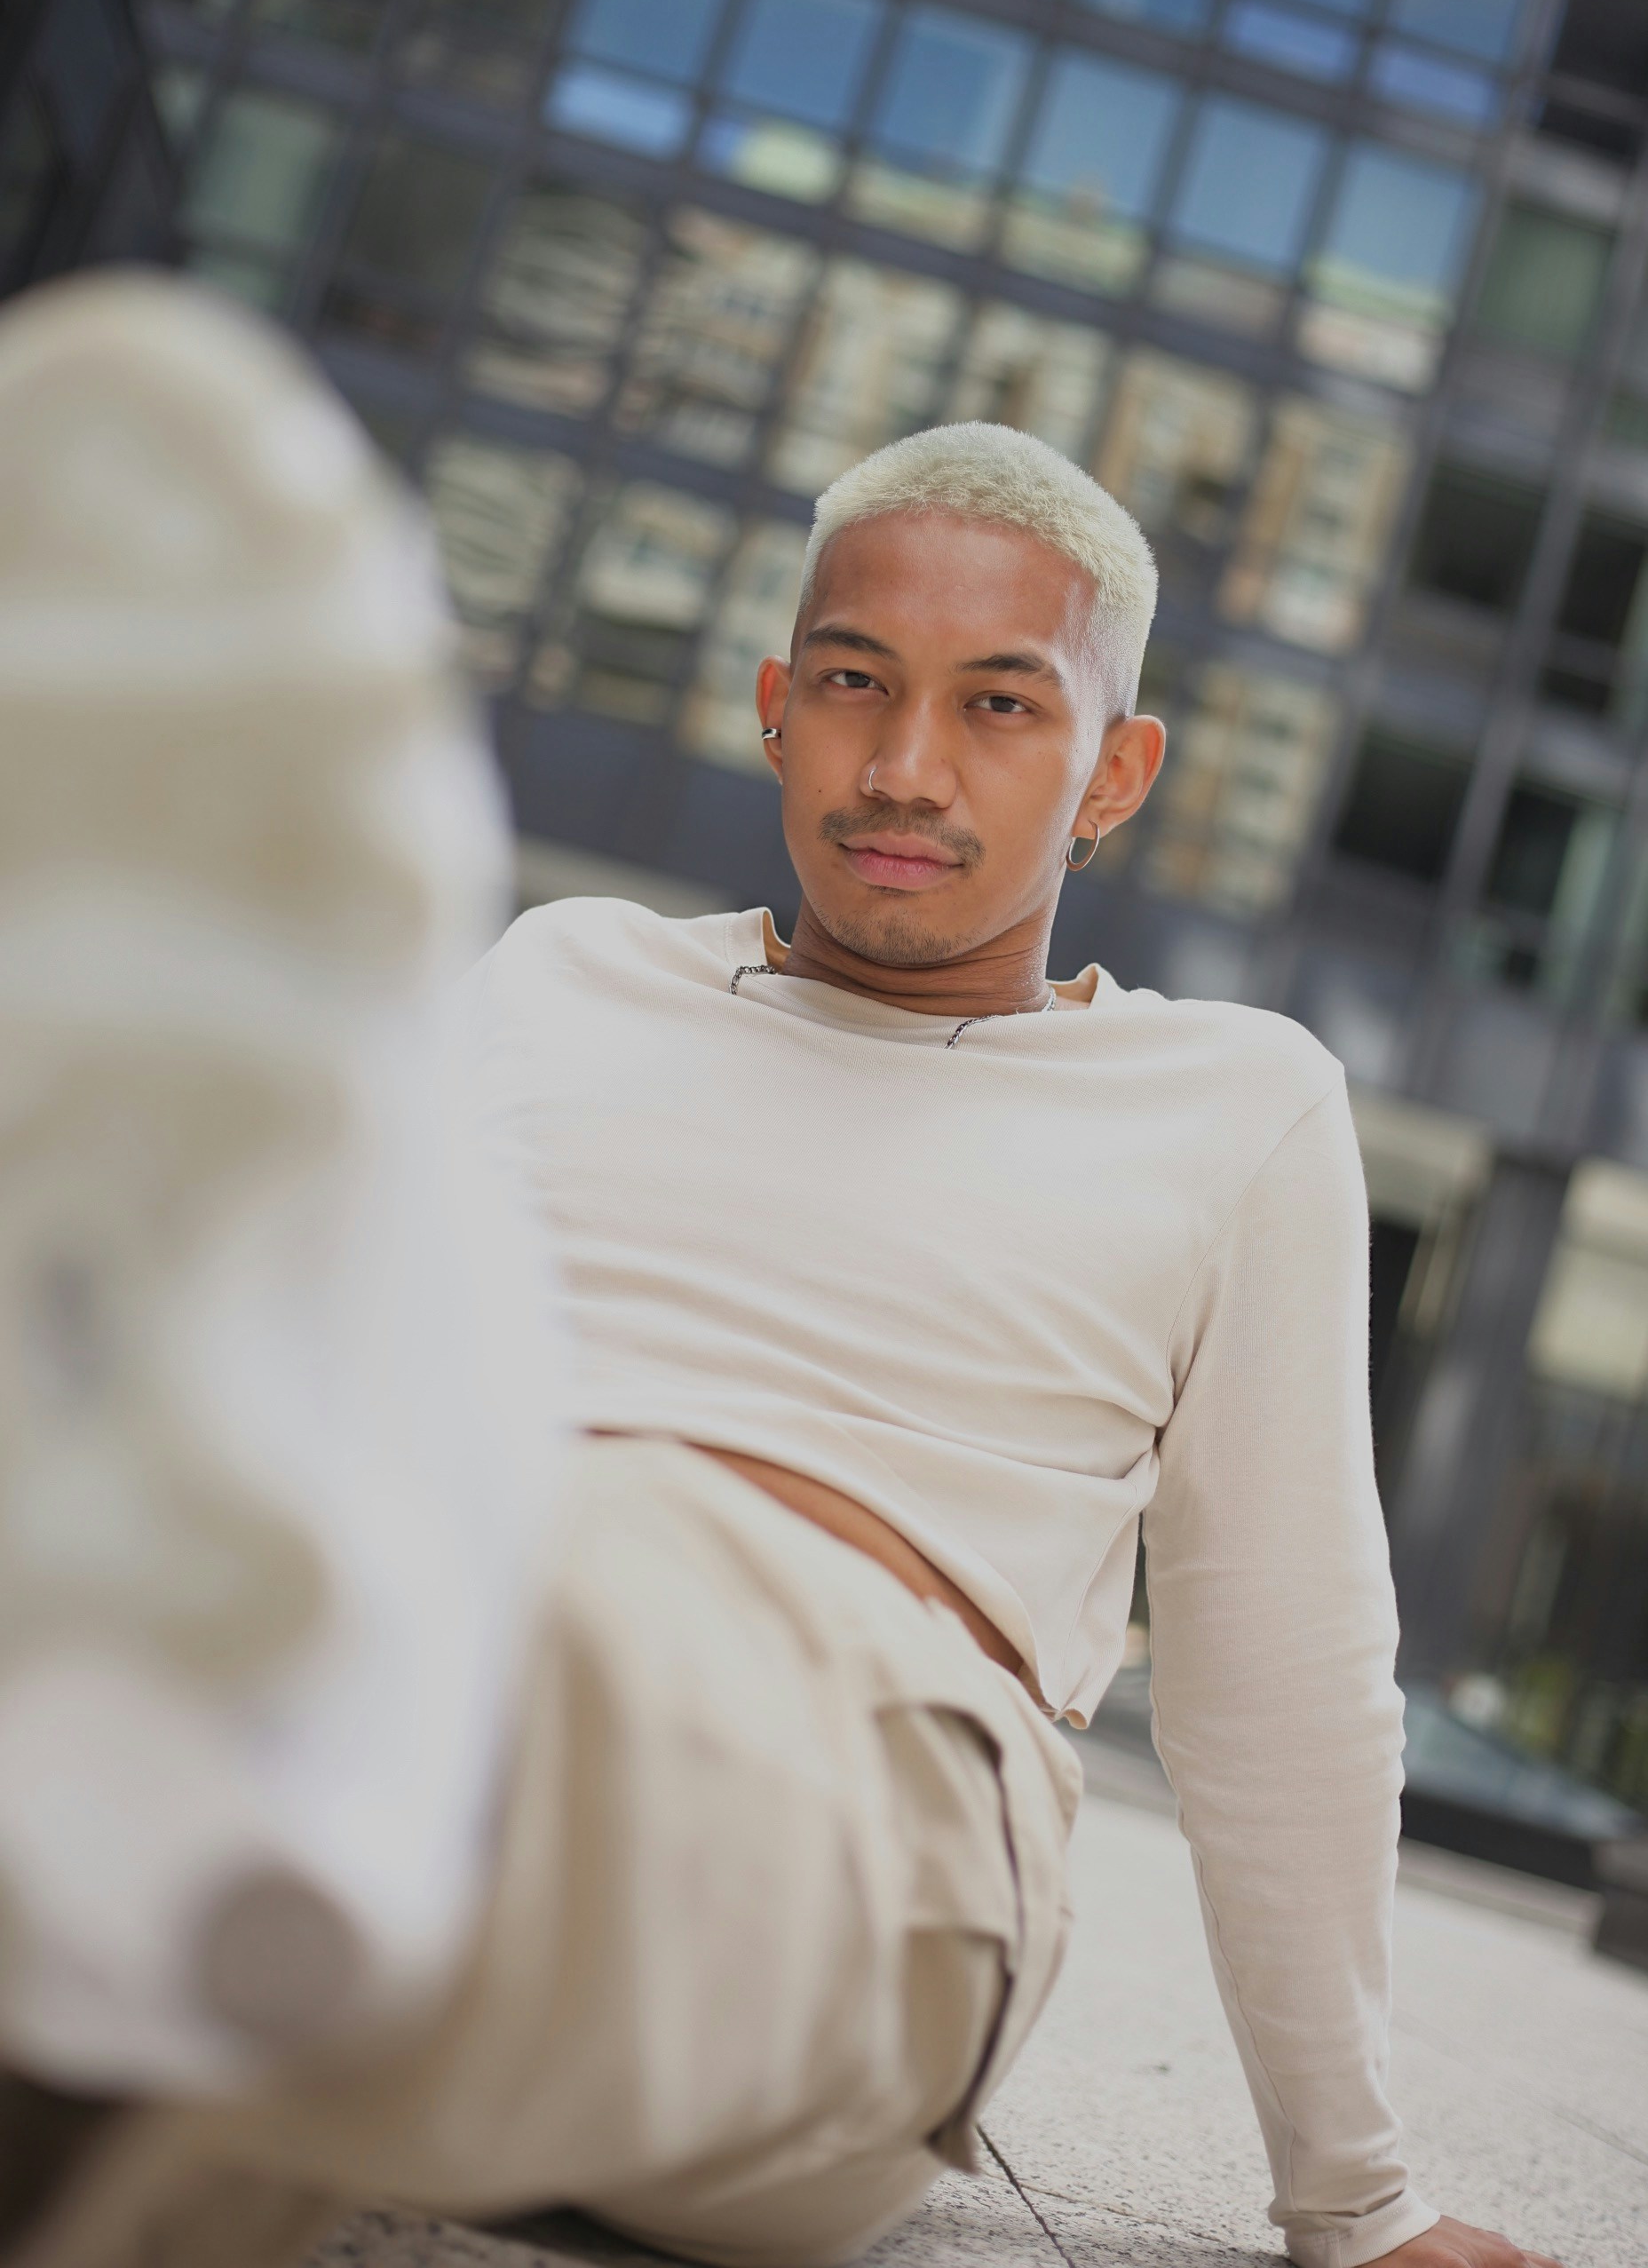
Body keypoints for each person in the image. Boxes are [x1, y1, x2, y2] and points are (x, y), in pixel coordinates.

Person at [0, 274, 1559, 2268]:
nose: (905, 765)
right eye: (850, 683)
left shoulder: (1234, 1102)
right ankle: (212, 1790)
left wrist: (1357, 2201)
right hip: (429, 1588)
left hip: (877, 1794)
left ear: (1116, 773)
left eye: (999, 704)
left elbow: (1287, 1676)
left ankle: (238, 1675)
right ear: (769, 702)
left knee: (438, 1599)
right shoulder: (560, 972)